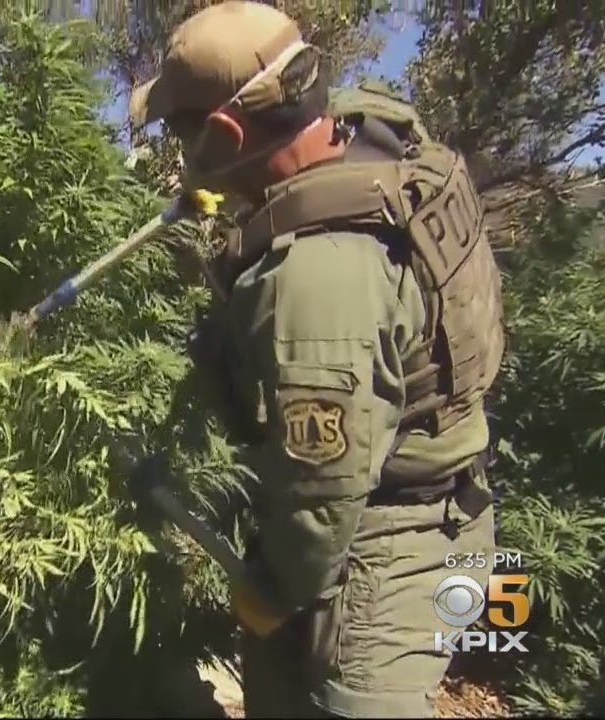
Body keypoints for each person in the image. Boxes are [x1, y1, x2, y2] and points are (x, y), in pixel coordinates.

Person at [128, 3, 505, 718]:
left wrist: (269, 592)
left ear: (226, 131)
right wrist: (233, 189)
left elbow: (321, 493)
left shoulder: (318, 284)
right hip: (440, 493)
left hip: (386, 551)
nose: (181, 151)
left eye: (183, 132)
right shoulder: (373, 130)